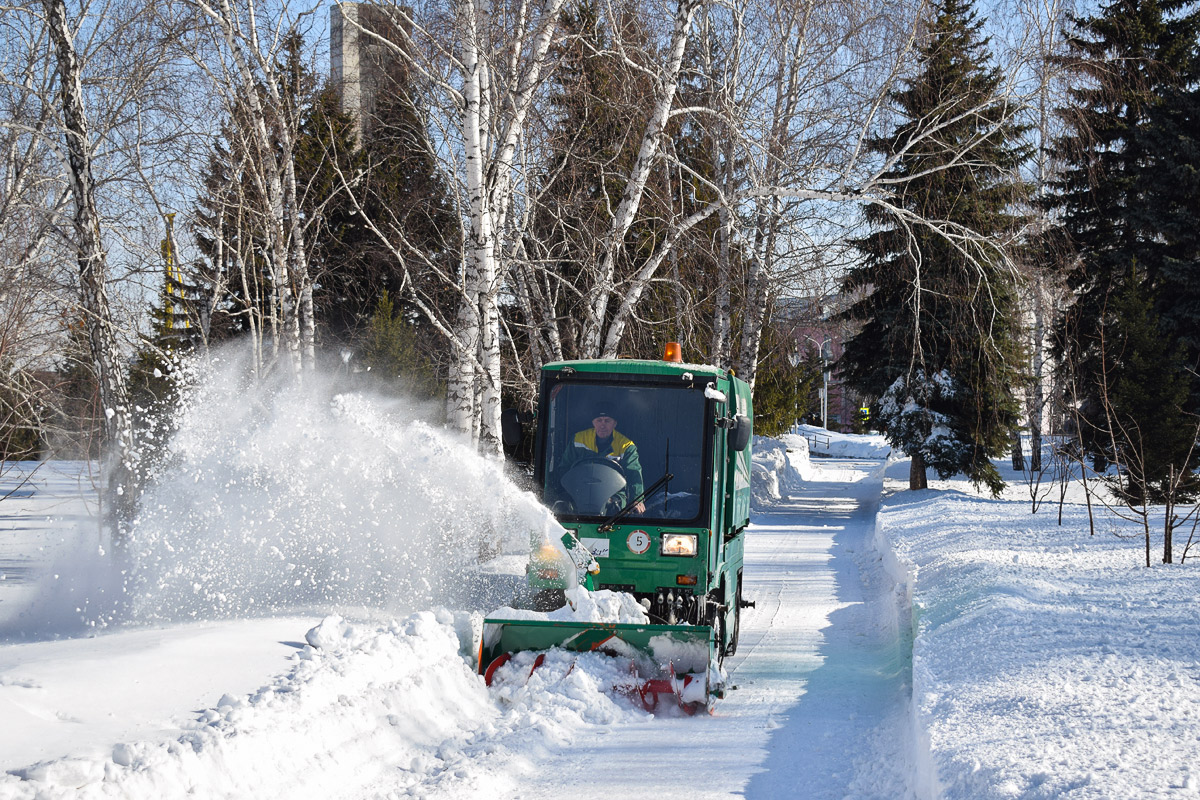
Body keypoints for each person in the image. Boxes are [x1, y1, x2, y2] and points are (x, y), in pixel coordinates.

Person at [560, 407, 645, 513]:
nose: (602, 425)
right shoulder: (578, 439)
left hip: (614, 494)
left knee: (615, 508)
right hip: (579, 491)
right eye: (599, 420)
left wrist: (637, 500)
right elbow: (564, 468)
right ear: (593, 422)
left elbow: (634, 474)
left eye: (607, 421)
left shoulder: (626, 446)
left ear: (615, 423)